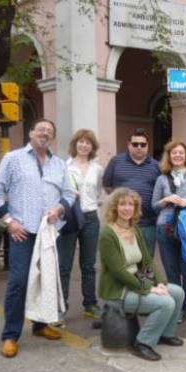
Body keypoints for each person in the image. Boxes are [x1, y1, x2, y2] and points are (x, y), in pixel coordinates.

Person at [0, 118, 76, 358]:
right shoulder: (13, 159)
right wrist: (10, 222)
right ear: (31, 133)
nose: (45, 133)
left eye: (50, 130)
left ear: (52, 137)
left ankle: (40, 325)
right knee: (19, 282)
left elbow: (69, 193)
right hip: (22, 232)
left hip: (49, 232)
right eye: (41, 129)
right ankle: (10, 335)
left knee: (45, 280)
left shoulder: (59, 164)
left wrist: (58, 209)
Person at [99, 188, 184, 362]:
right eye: (122, 204)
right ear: (115, 207)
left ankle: (165, 334)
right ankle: (143, 344)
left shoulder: (134, 229)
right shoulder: (108, 234)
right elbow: (119, 272)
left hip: (137, 282)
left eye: (130, 204)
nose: (127, 208)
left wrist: (160, 283)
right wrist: (149, 289)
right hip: (118, 291)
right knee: (166, 303)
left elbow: (147, 261)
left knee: (177, 292)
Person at [152, 141, 186, 321]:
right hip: (164, 227)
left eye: (181, 153)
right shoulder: (161, 179)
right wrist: (167, 199)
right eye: (174, 153)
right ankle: (176, 309)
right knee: (171, 270)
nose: (177, 156)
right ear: (169, 156)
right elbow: (154, 206)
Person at [57, 129, 103, 321]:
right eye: (81, 142)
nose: (84, 145)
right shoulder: (63, 167)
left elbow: (98, 193)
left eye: (88, 142)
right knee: (64, 265)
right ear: (75, 144)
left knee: (89, 264)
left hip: (91, 217)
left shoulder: (97, 169)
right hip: (69, 217)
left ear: (92, 147)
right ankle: (61, 307)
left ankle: (90, 304)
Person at [102, 131, 160, 256]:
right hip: (121, 223)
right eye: (135, 144)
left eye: (142, 144)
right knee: (122, 258)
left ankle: (144, 276)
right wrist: (121, 201)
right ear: (129, 145)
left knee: (146, 260)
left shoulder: (156, 166)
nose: (139, 147)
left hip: (147, 224)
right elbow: (107, 185)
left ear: (147, 145)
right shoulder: (116, 161)